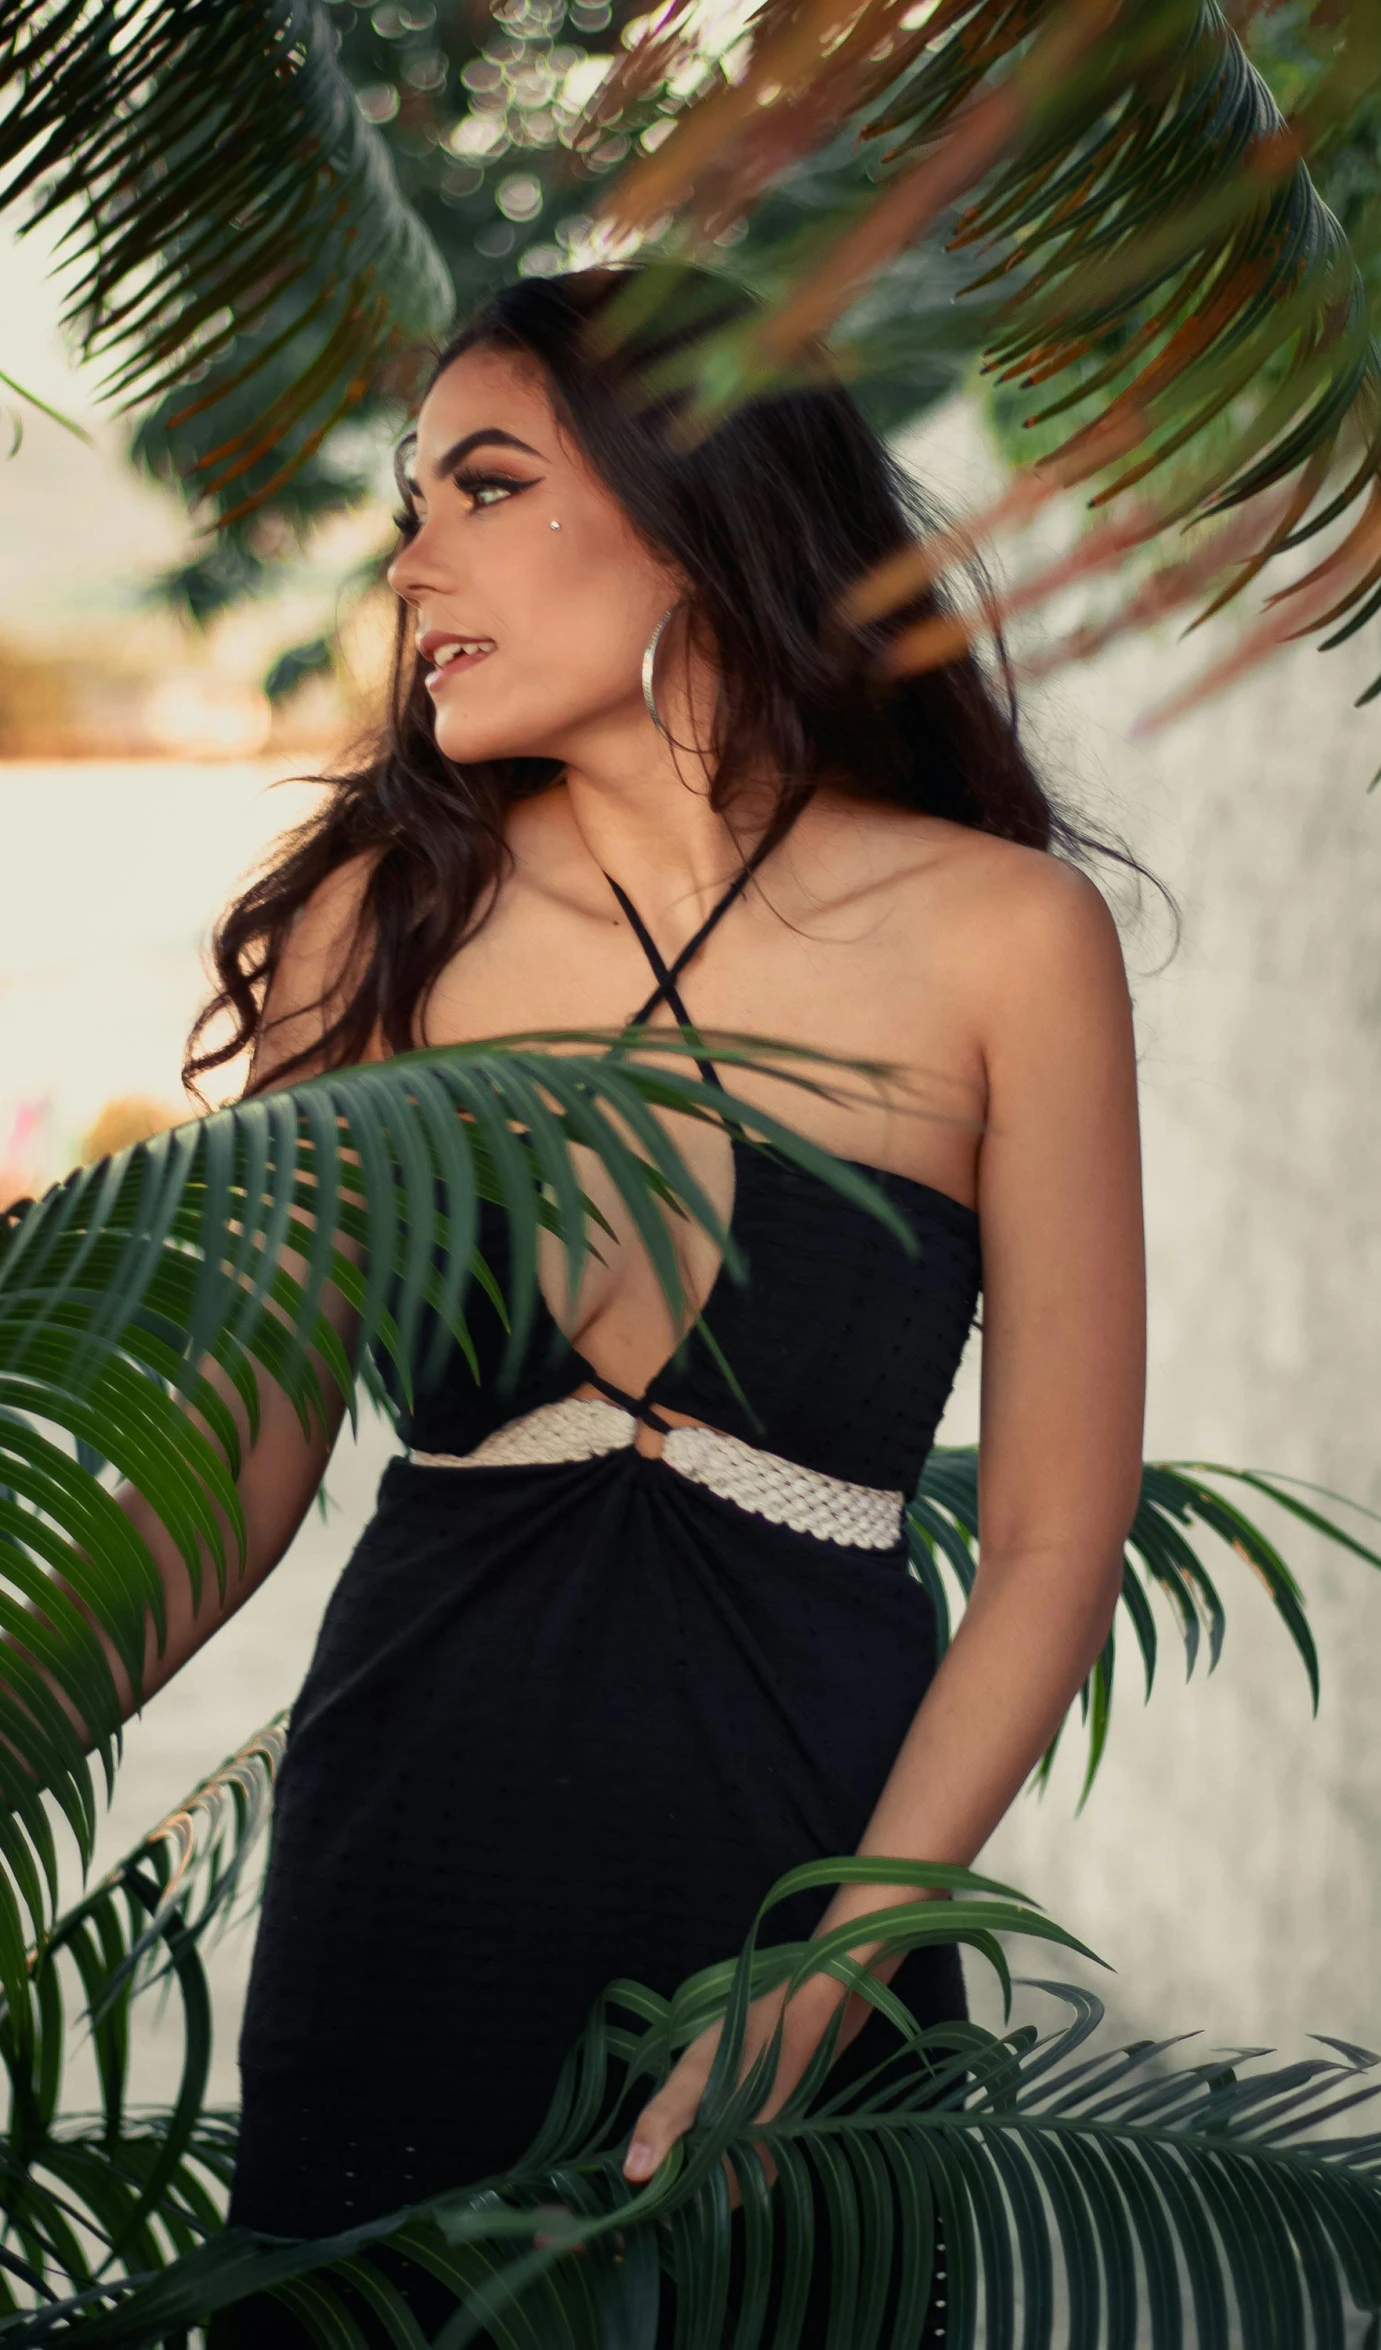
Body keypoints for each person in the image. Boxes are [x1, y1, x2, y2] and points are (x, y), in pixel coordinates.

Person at [150, 264, 1144, 2340]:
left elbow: (1057, 1536)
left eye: (482, 485)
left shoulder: (1003, 943)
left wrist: (819, 1981)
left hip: (801, 1880)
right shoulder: (378, 927)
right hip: (402, 1865)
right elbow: (233, 1484)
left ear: (693, 506)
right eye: (410, 500)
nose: (412, 559)